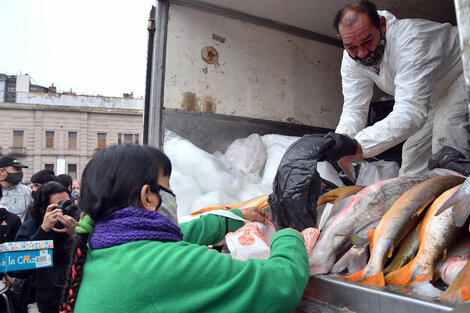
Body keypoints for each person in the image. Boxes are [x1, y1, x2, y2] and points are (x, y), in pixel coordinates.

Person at [60, 144, 309, 313]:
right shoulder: (164, 267)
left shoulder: (102, 245)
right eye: (167, 187)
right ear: (148, 197)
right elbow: (280, 284)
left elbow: (181, 234)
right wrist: (289, 233)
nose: (173, 195)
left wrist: (233, 217)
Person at [323, 0, 470, 176]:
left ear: (382, 25)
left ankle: (459, 199)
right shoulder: (350, 60)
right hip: (434, 95)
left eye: (367, 41)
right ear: (341, 39)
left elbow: (411, 111)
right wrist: (343, 139)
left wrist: (358, 146)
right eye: (352, 47)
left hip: (464, 71)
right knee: (412, 154)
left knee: (447, 132)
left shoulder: (411, 40)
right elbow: (354, 108)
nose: (362, 53)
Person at [15, 181, 80, 313]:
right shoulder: (31, 226)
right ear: (43, 209)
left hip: (75, 296)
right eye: (59, 206)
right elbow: (19, 269)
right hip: (43, 299)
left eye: (68, 203)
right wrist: (43, 230)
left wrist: (77, 235)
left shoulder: (77, 224)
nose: (65, 209)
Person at [0, 156, 32, 222]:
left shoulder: (27, 192)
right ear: (2, 171)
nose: (20, 172)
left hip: (19, 231)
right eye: (16, 169)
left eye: (21, 169)